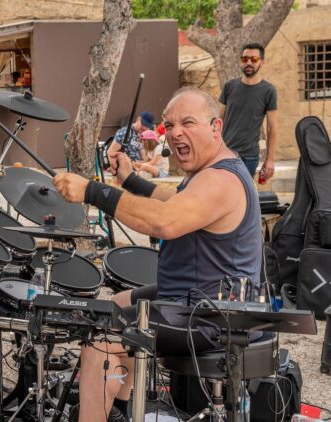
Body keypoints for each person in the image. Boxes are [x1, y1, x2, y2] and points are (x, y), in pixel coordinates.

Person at [53, 87, 262, 421]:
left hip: (207, 316)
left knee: (99, 342)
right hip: (193, 298)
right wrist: (130, 180)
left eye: (187, 122)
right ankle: (121, 410)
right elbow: (173, 200)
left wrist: (91, 191)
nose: (175, 132)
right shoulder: (214, 172)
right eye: (170, 124)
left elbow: (164, 221)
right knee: (118, 304)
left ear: (215, 127)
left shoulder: (219, 181)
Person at [219, 42, 279, 180]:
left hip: (249, 157)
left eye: (254, 59)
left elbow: (272, 127)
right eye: (245, 59)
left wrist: (269, 159)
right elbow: (218, 120)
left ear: (262, 62)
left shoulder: (268, 91)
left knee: (243, 197)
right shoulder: (229, 87)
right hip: (225, 153)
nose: (249, 63)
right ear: (241, 61)